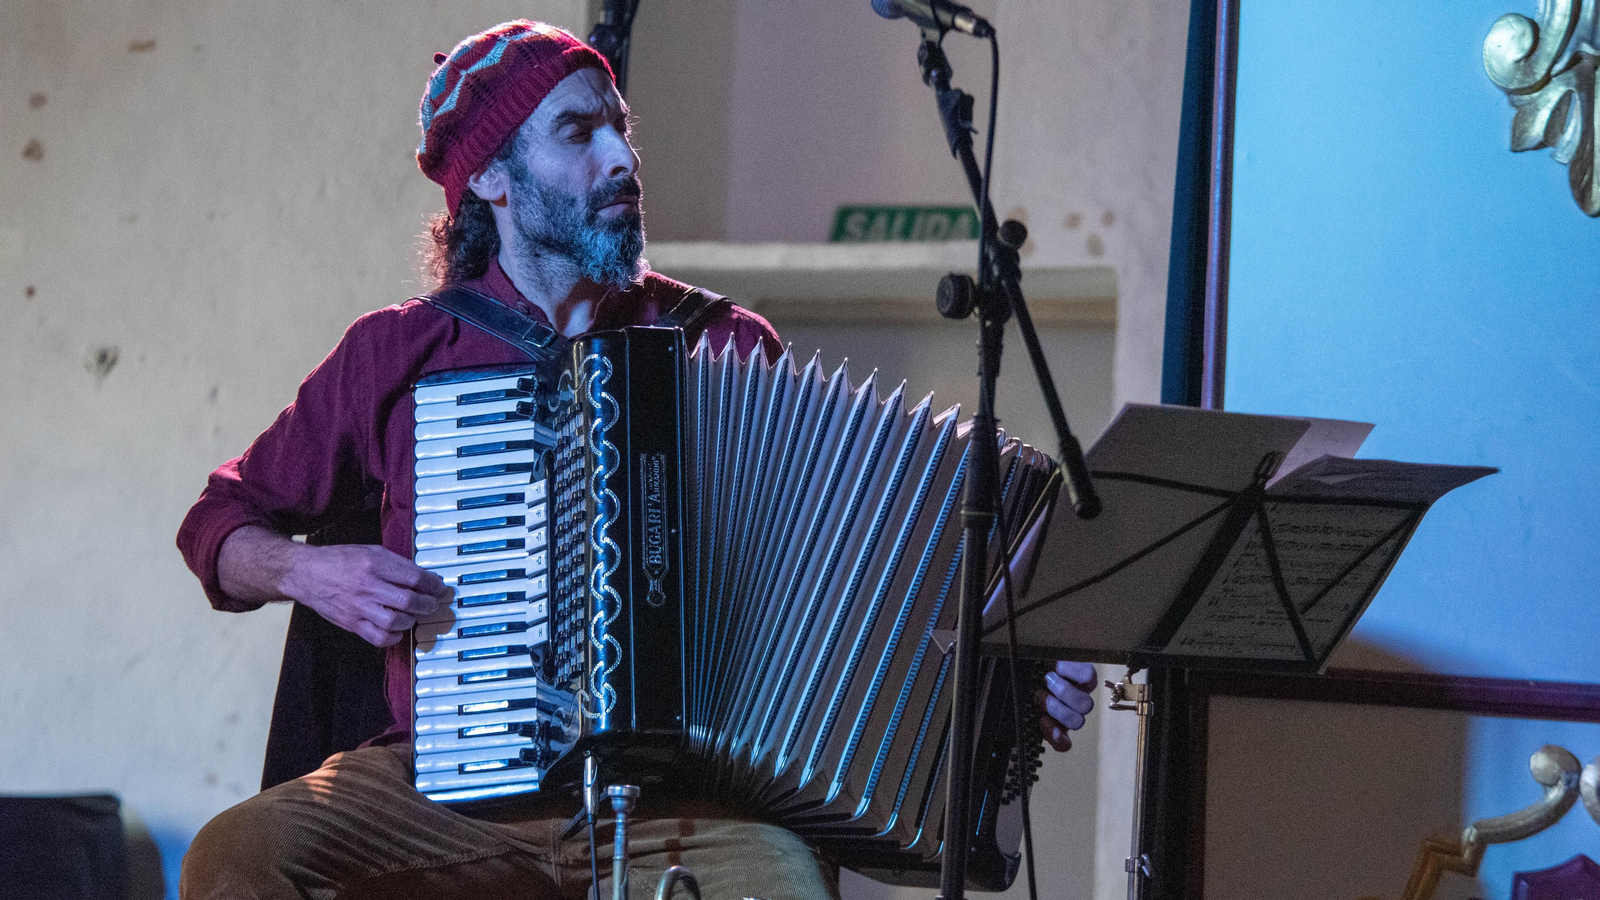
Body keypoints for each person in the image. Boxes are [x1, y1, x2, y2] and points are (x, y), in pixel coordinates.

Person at [175, 20, 1097, 900]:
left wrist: (1010, 672)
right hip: (446, 793)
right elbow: (216, 524)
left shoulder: (722, 343)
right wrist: (306, 569)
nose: (620, 159)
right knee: (235, 857)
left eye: (619, 128)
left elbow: (843, 582)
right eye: (578, 134)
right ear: (492, 180)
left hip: (690, 804)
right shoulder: (399, 353)